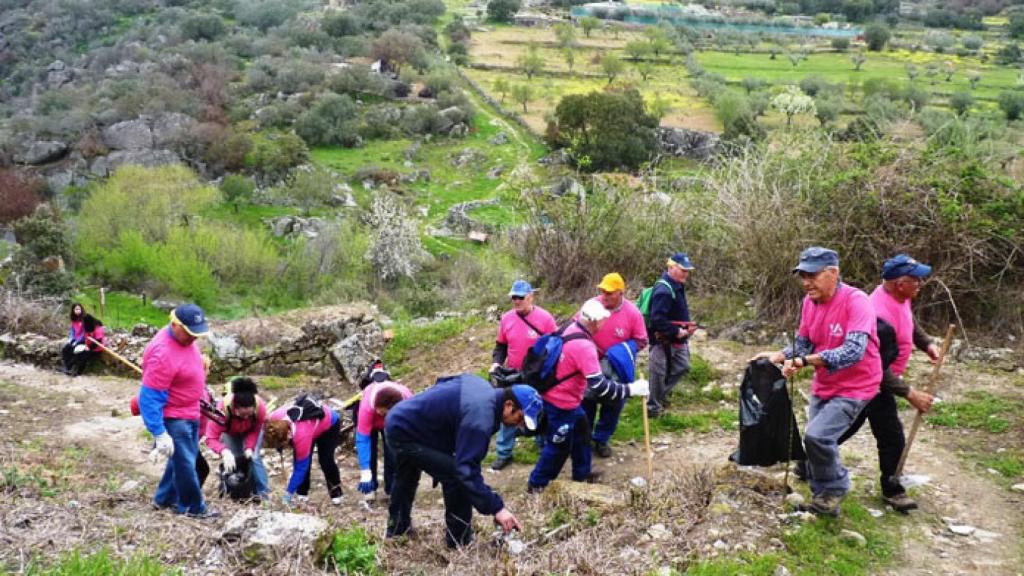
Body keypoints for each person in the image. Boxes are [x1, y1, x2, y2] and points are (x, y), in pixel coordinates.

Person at [751, 247, 881, 517]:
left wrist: (804, 361)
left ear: (832, 273)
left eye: (812, 275)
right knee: (814, 440)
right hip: (826, 384)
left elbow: (854, 350)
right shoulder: (809, 302)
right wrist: (781, 355)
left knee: (818, 436)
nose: (806, 282)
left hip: (857, 385)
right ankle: (824, 502)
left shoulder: (857, 302)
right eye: (802, 276)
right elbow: (804, 342)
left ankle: (833, 489)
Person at [384, 375, 537, 548]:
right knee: (456, 477)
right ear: (509, 405)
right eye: (520, 418)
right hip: (404, 431)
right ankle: (459, 542)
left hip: (402, 417)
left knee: (406, 477)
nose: (519, 425)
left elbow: (442, 382)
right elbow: (465, 471)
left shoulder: (481, 386)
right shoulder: (480, 417)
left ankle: (396, 530)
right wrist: (497, 508)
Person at [839, 254, 937, 511]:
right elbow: (876, 367)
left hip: (880, 382)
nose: (920, 284)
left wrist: (926, 344)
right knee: (856, 429)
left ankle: (892, 487)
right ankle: (892, 489)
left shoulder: (899, 298)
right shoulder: (877, 314)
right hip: (867, 381)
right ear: (899, 283)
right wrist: (910, 393)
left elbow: (909, 321)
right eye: (916, 280)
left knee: (880, 433)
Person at [527, 299, 649, 493]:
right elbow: (601, 387)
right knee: (557, 446)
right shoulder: (584, 347)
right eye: (602, 321)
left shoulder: (571, 327)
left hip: (565, 399)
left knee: (582, 436)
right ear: (594, 322)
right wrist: (631, 389)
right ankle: (536, 485)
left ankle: (582, 475)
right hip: (560, 403)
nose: (604, 324)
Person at [138, 304, 218, 518]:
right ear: (175, 324)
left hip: (190, 412)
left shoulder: (183, 339)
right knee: (185, 464)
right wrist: (159, 433)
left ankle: (164, 499)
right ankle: (193, 508)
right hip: (175, 417)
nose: (194, 338)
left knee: (182, 459)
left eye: (197, 333)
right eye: (191, 333)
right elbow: (149, 397)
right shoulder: (162, 353)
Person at [488, 280, 557, 470]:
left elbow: (556, 345)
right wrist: (496, 363)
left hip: (539, 376)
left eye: (520, 297)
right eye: (513, 298)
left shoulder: (545, 319)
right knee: (508, 412)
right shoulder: (507, 319)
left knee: (540, 411)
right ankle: (504, 452)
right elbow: (500, 345)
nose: (516, 301)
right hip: (513, 376)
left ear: (530, 297)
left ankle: (543, 445)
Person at [579, 273, 648, 457]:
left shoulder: (633, 313)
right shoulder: (592, 306)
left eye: (609, 292)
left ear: (620, 292)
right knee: (587, 402)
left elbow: (641, 340)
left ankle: (601, 439)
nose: (604, 296)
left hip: (616, 367)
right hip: (590, 364)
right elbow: (576, 326)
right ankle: (583, 440)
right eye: (602, 291)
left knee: (613, 404)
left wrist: (620, 351)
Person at [264, 396, 344, 506]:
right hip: (309, 425)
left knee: (325, 460)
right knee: (303, 458)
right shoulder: (273, 418)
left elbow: (300, 467)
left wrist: (288, 493)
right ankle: (302, 494)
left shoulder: (301, 436)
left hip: (329, 424)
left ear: (288, 435)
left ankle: (336, 493)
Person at [647, 253, 698, 419]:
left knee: (682, 366)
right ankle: (653, 408)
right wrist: (677, 331)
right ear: (671, 267)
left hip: (677, 340)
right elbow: (657, 319)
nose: (686, 274)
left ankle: (659, 397)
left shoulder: (677, 285)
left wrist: (687, 327)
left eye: (687, 270)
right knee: (658, 373)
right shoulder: (664, 290)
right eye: (682, 270)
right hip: (662, 341)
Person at [205, 376, 271, 502]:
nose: (246, 417)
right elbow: (210, 438)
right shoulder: (222, 409)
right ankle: (238, 492)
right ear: (235, 408)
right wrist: (223, 451)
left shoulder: (260, 408)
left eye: (249, 414)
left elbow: (256, 429)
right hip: (231, 432)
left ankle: (263, 495)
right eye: (242, 414)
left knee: (254, 458)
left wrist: (250, 447)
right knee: (236, 459)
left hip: (251, 431)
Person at [355, 378, 413, 499]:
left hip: (393, 420)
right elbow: (362, 439)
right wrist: (365, 471)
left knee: (391, 452)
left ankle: (392, 488)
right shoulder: (367, 407)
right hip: (369, 418)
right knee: (370, 450)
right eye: (379, 411)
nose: (379, 413)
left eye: (382, 412)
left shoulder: (408, 400)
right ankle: (371, 485)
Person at [61, 303, 105, 376]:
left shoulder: (98, 328)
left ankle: (78, 373)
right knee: (73, 351)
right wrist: (86, 345)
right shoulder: (87, 327)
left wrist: (89, 347)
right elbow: (87, 337)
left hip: (96, 347)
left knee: (82, 355)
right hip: (88, 345)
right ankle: (69, 368)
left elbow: (99, 341)